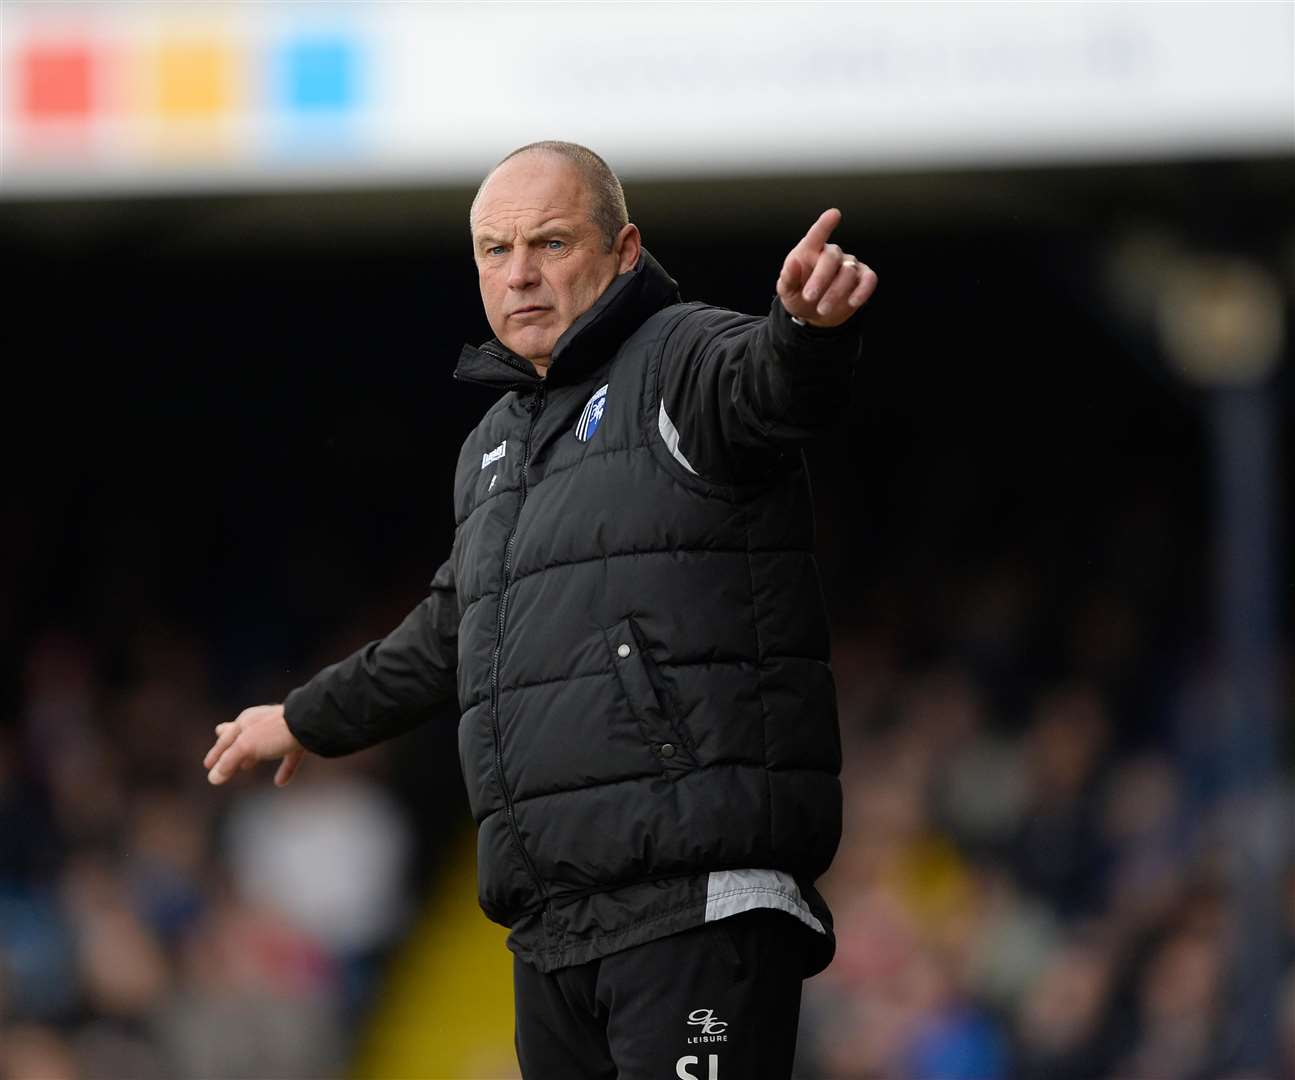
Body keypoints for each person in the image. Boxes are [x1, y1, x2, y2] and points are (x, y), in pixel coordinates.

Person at [203, 140, 877, 1079]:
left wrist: (805, 332)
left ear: (623, 250)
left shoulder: (678, 356)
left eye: (551, 243)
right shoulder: (493, 446)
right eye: (494, 250)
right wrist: (306, 717)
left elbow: (766, 388)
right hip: (553, 928)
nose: (519, 274)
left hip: (693, 901)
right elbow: (448, 628)